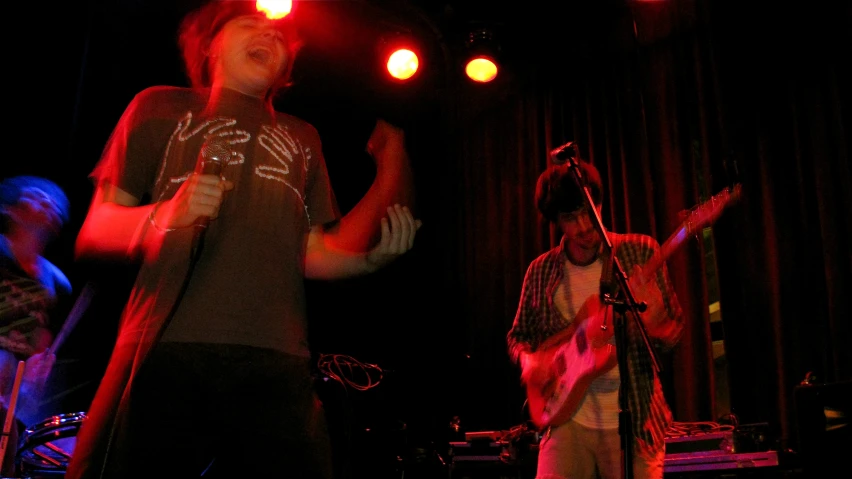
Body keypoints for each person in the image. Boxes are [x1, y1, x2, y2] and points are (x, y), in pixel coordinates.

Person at [65, 1, 421, 478]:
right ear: (212, 45)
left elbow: (311, 254)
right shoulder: (160, 107)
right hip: (167, 350)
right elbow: (96, 229)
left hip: (278, 362)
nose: (270, 36)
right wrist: (163, 216)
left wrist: (369, 261)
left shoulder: (303, 137)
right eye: (251, 25)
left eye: (280, 37)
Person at [506, 158, 683, 479]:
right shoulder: (541, 270)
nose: (584, 225)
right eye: (570, 218)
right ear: (556, 221)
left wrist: (655, 322)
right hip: (565, 421)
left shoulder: (640, 252)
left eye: (590, 210)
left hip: (634, 421)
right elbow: (518, 337)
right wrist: (529, 362)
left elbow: (673, 337)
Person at [1, 175, 71, 475]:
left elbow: (42, 333)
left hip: (12, 383)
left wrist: (41, 362)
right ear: (11, 210)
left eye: (53, 200)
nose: (48, 201)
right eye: (36, 196)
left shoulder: (56, 281)